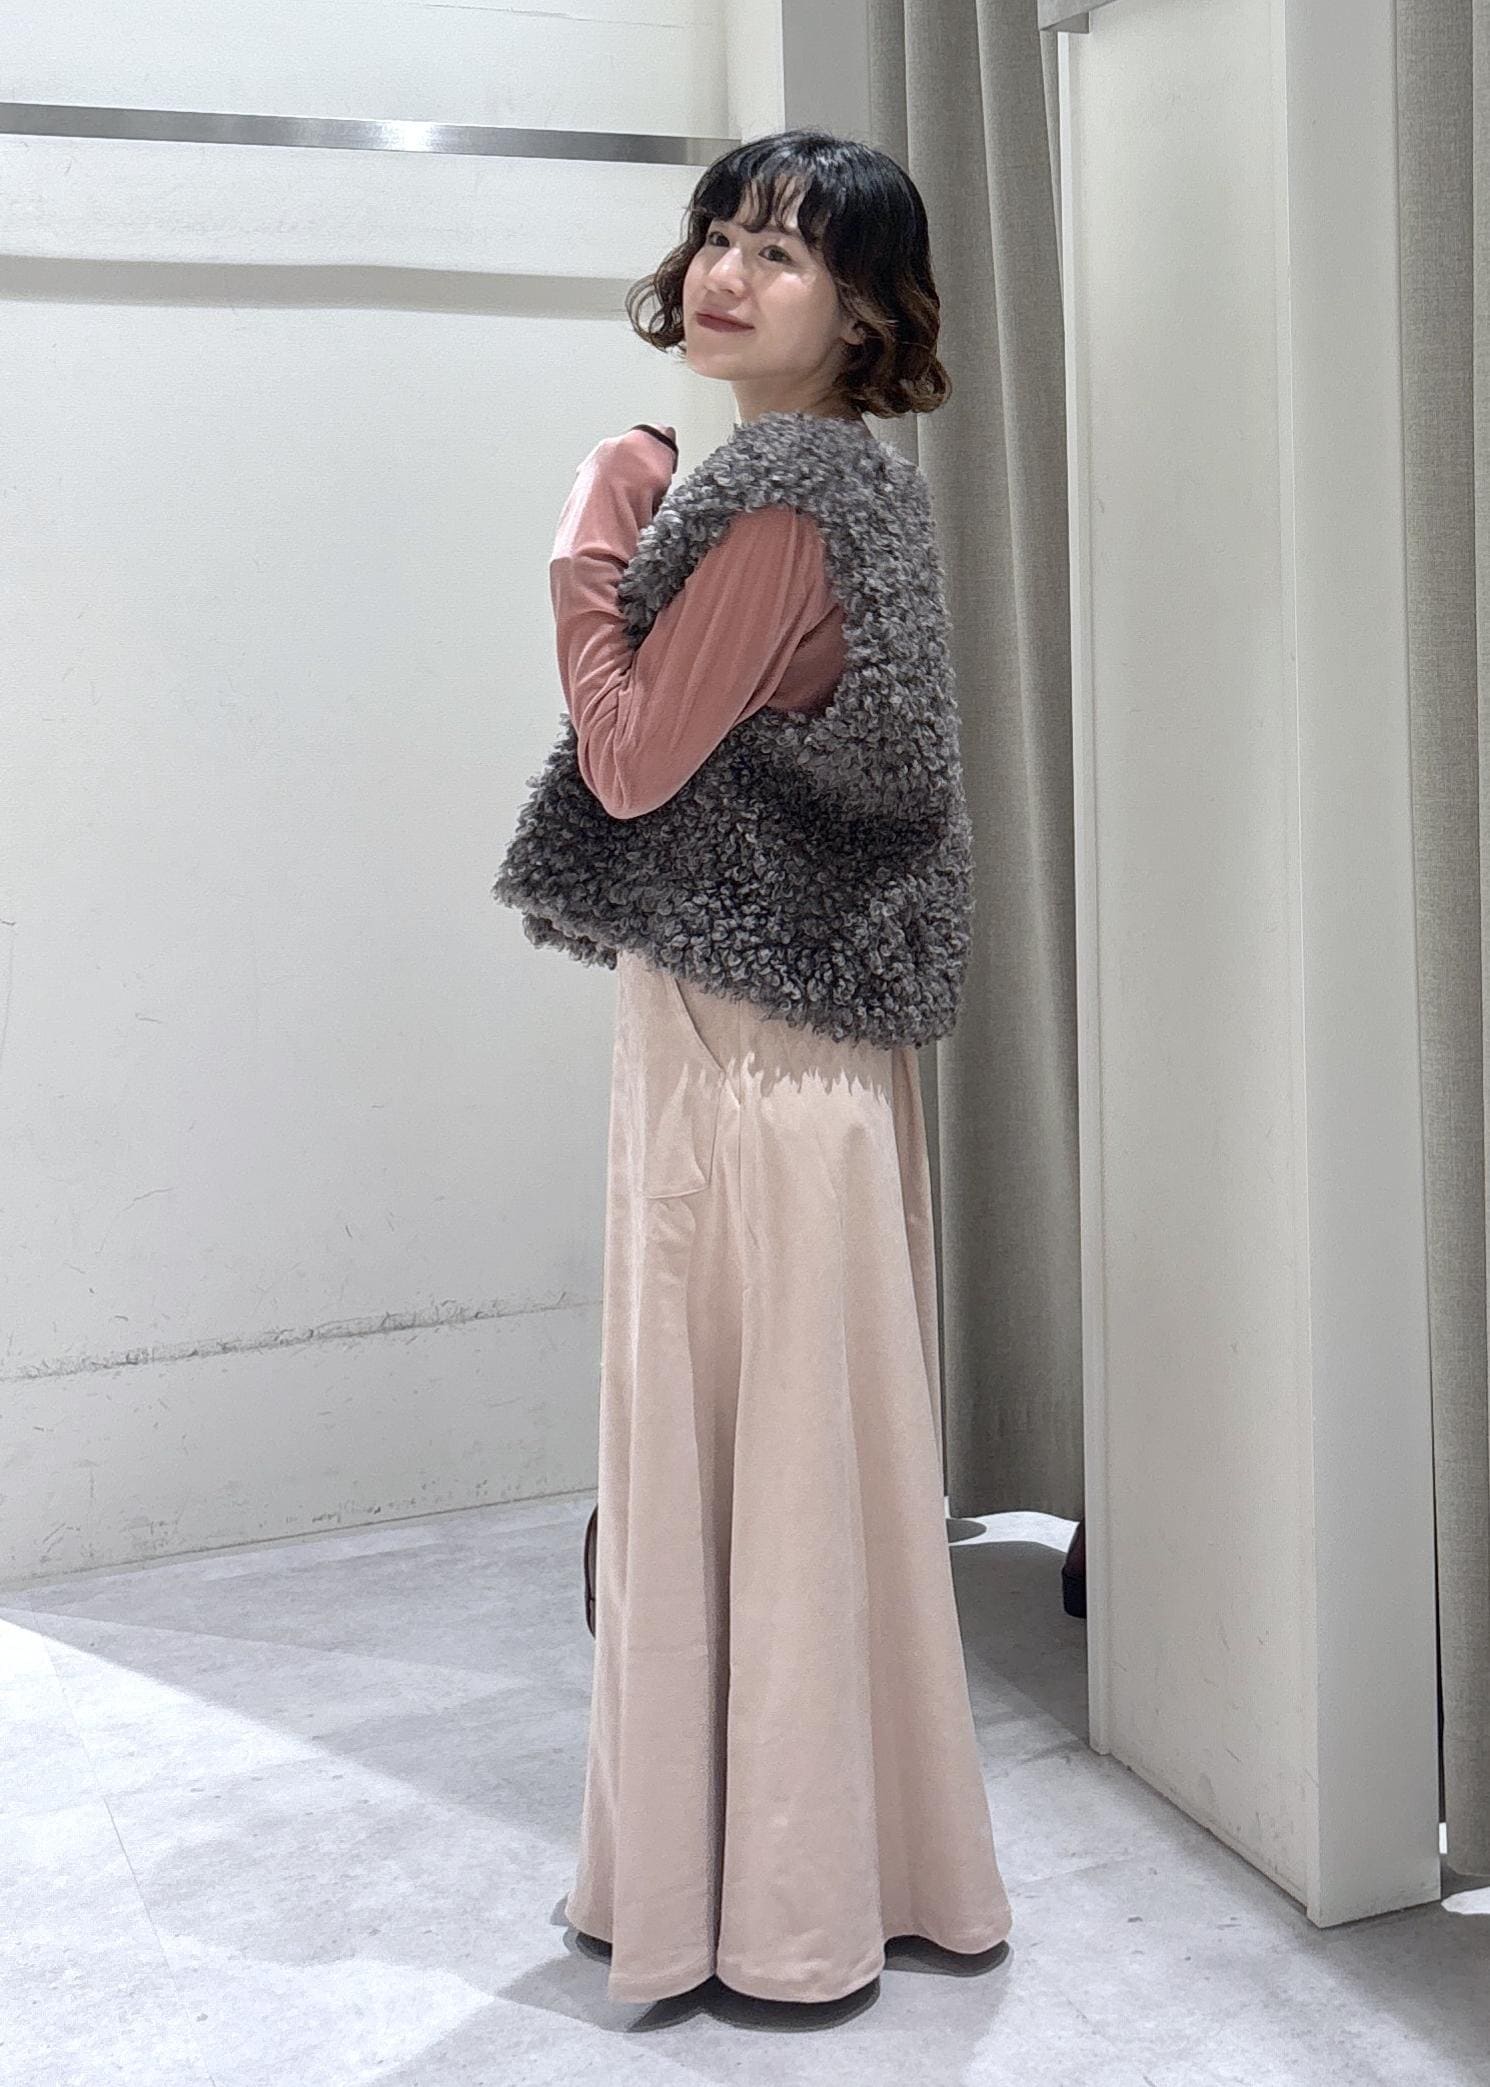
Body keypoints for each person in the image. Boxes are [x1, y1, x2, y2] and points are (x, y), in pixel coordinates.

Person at [494, 127, 1012, 2007]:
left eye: (781, 253)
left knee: (752, 1468)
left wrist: (588, 538)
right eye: (718, 233)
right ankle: (819, 1885)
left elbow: (630, 762)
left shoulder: (780, 497)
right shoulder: (837, 484)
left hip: (747, 1046)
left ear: (863, 311)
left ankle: (768, 1912)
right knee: (802, 1469)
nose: (725, 272)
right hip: (787, 1040)